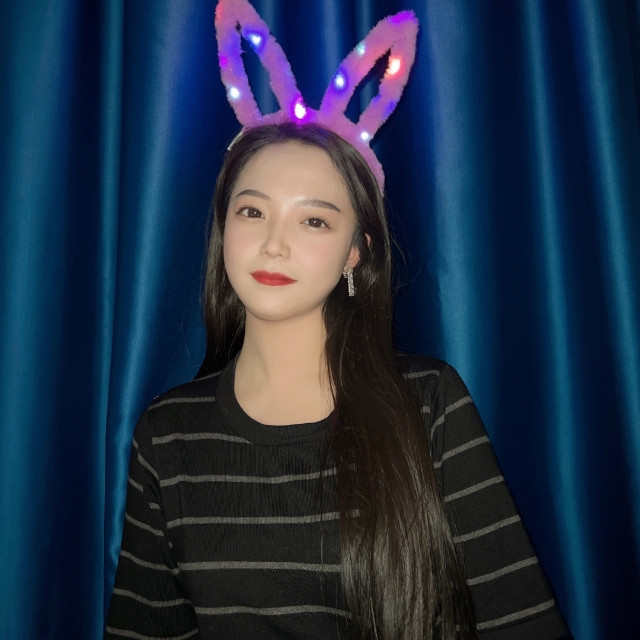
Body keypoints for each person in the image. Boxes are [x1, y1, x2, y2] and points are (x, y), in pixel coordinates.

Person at [104, 122, 571, 640]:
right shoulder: (168, 433)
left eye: (314, 221)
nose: (274, 245)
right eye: (252, 212)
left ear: (355, 252)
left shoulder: (428, 403)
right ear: (223, 228)